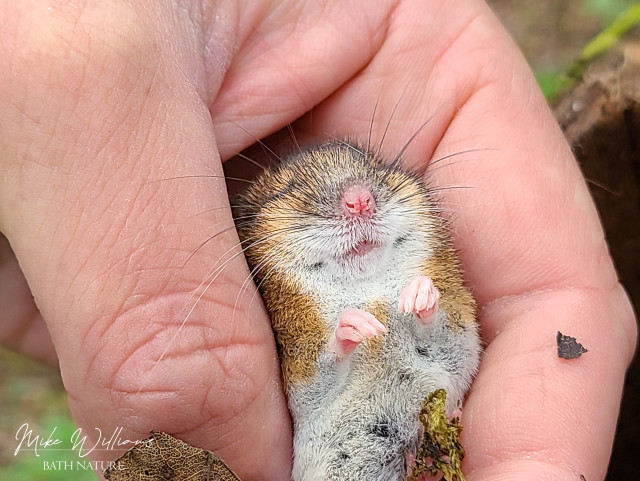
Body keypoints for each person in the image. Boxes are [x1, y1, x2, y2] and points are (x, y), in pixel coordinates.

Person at [0, 1, 635, 480]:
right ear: (255, 245)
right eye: (292, 195)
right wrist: (339, 347)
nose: (356, 200)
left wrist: (427, 316)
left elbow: (457, 356)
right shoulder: (280, 318)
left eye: (371, 176)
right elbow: (308, 390)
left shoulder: (430, 274)